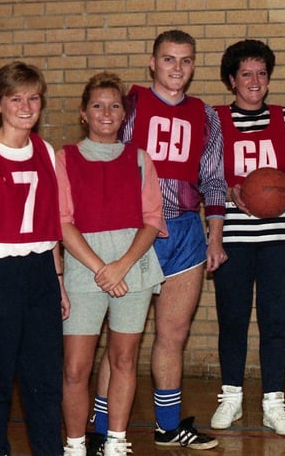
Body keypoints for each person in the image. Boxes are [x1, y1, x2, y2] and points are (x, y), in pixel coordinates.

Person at [92, 30, 226, 450]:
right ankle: (98, 429)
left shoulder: (206, 115)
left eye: (186, 61)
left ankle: (168, 426)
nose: (177, 69)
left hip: (185, 231)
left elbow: (214, 180)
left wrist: (215, 237)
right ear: (152, 63)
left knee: (173, 334)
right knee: (122, 338)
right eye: (169, 59)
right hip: (132, 232)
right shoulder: (127, 104)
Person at [59, 73, 166, 456]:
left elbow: (152, 219)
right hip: (83, 269)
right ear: (84, 113)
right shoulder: (64, 158)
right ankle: (74, 446)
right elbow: (62, 221)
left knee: (124, 359)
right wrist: (102, 268)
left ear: (125, 114)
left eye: (115, 105)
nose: (107, 112)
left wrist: (121, 265)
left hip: (132, 268)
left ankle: (116, 442)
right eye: (98, 105)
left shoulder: (140, 159)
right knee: (75, 368)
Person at [209, 39, 285, 436]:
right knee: (232, 319)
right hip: (232, 235)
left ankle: (274, 401)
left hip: (278, 236)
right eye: (246, 74)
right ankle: (231, 398)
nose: (255, 81)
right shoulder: (215, 120)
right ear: (232, 80)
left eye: (262, 74)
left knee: (274, 320)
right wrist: (230, 190)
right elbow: (205, 176)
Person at [0, 62, 68, 455]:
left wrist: (58, 282)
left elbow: (50, 226)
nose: (25, 107)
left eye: (33, 98)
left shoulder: (44, 150)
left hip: (41, 272)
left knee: (44, 382)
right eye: (15, 99)